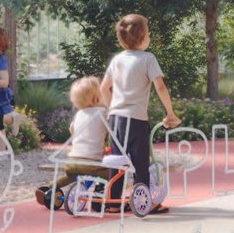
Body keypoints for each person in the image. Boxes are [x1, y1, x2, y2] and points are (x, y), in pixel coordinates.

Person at [104, 14, 181, 207]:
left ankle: (113, 202)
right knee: (140, 162)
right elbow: (160, 86)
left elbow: (104, 88)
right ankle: (143, 202)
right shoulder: (148, 59)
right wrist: (170, 113)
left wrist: (111, 109)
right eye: (148, 34)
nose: (150, 37)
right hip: (136, 120)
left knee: (117, 161)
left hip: (115, 119)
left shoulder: (117, 59)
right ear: (142, 38)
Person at [63, 75, 110, 161]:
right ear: (96, 99)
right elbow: (112, 128)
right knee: (112, 167)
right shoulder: (103, 112)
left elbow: (71, 129)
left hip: (73, 159)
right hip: (92, 160)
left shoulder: (79, 114)